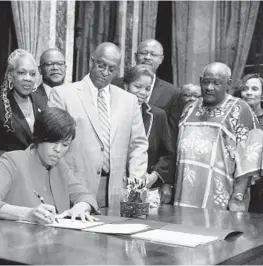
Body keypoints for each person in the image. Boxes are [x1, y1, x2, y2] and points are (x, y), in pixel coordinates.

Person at [49, 42, 148, 209]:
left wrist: (136, 189)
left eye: (112, 69)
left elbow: (138, 145)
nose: (105, 73)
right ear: (91, 61)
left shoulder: (129, 101)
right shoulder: (63, 94)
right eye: (101, 66)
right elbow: (53, 143)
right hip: (74, 189)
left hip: (116, 192)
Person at [0, 107, 98, 223]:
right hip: (15, 242)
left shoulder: (60, 166)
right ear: (39, 138)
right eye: (53, 142)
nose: (58, 150)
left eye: (65, 144)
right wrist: (27, 214)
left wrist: (81, 207)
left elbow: (84, 196)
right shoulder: (13, 161)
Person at [174, 62, 263, 211]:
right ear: (200, 80)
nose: (209, 87)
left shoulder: (241, 109)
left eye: (216, 83)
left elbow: (250, 159)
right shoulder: (190, 107)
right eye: (206, 82)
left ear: (228, 84)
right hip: (184, 190)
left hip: (221, 194)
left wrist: (238, 195)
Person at [123, 65, 175, 204]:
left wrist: (154, 176)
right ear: (126, 86)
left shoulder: (157, 115)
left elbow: (168, 154)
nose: (143, 92)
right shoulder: (112, 113)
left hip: (146, 187)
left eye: (147, 89)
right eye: (137, 86)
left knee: (139, 221)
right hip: (116, 186)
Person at [0, 49, 48, 163]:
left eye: (32, 74)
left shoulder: (42, 102)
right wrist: (19, 159)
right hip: (11, 172)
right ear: (10, 76)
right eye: (21, 73)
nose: (28, 78)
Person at [113, 39, 182, 138]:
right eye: (143, 53)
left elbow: (170, 135)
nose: (147, 57)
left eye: (153, 55)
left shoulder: (172, 93)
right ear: (135, 56)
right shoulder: (115, 85)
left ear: (161, 59)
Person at [233, 73, 263, 213]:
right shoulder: (232, 116)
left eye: (255, 89)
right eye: (245, 89)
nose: (249, 93)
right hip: (235, 178)